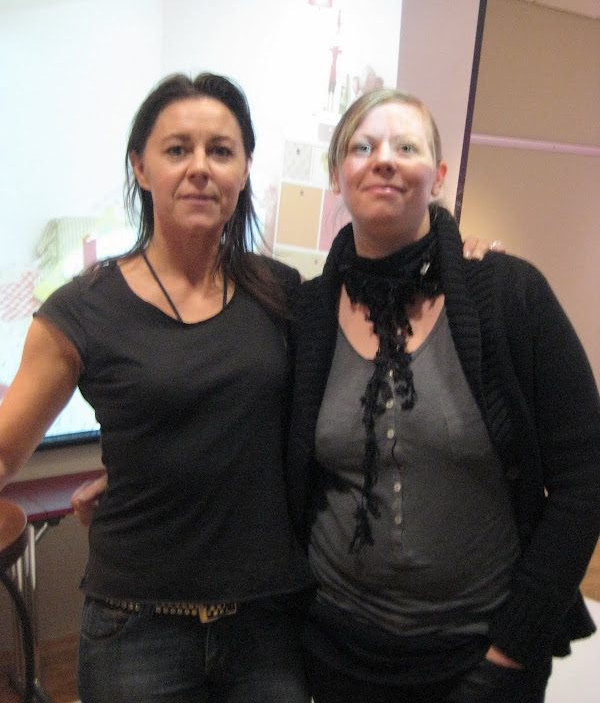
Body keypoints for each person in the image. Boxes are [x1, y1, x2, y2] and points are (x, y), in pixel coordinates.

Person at [0, 72, 314, 703]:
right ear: (141, 168)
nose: (200, 168)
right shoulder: (83, 308)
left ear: (244, 170)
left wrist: (459, 262)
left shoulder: (282, 293)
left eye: (220, 151)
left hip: (267, 624)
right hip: (136, 629)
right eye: (177, 149)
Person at [286, 88, 600, 702]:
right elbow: (249, 436)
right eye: (362, 147)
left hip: (481, 658)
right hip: (337, 653)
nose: (384, 159)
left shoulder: (508, 295)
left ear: (440, 175)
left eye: (407, 147)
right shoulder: (308, 314)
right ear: (336, 175)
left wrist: (514, 647)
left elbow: (585, 476)